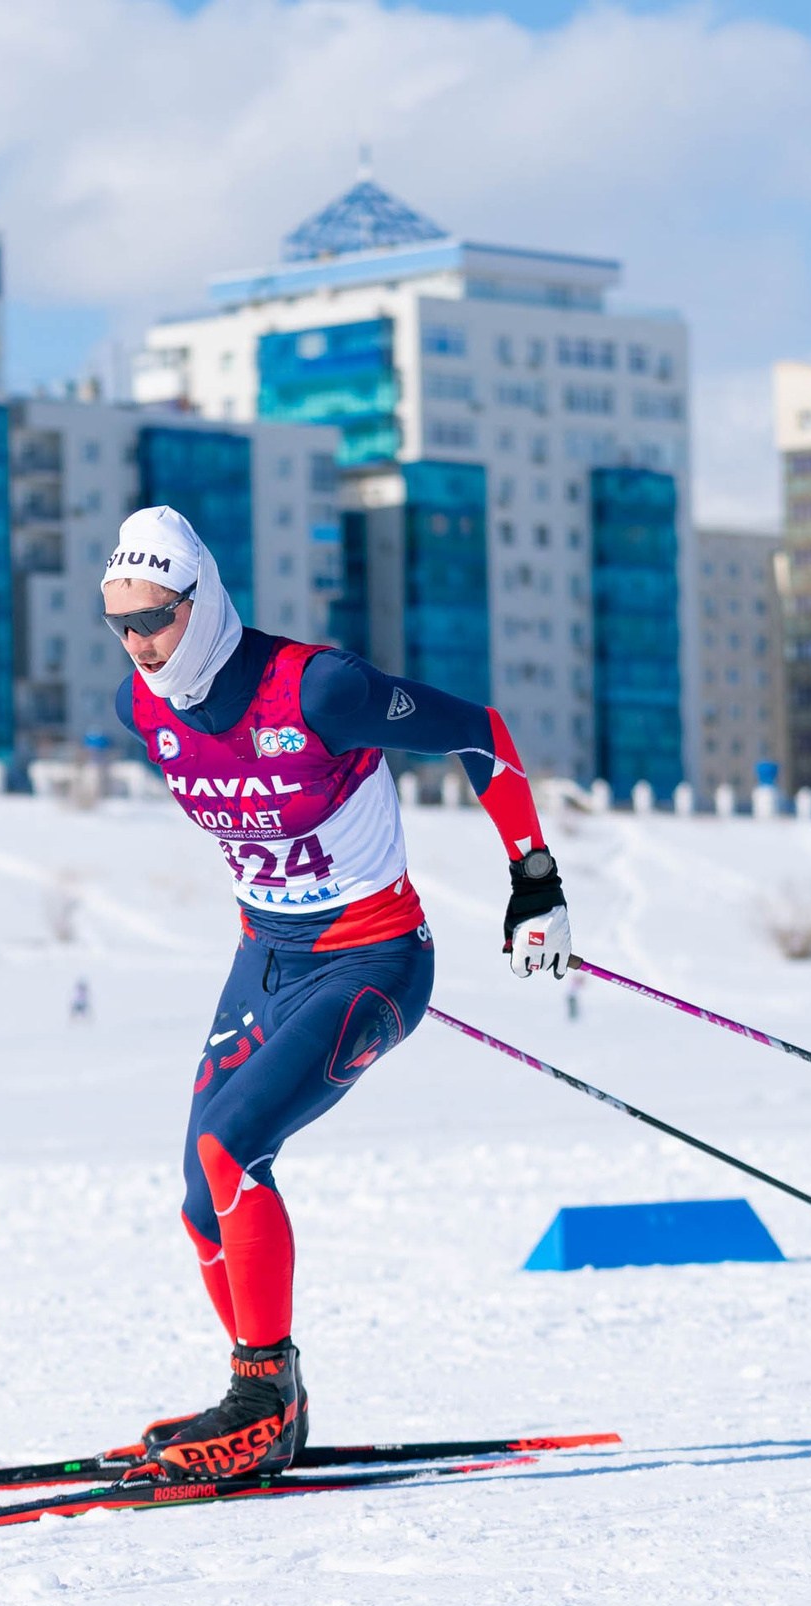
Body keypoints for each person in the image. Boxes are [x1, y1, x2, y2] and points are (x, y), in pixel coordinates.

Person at [103, 505, 571, 1481]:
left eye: (157, 618)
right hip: (266, 958)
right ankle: (262, 1395)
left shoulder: (320, 688)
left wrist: (534, 879)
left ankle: (263, 1399)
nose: (141, 644)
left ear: (206, 602)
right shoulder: (138, 709)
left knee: (235, 1149)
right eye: (121, 624)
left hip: (374, 961)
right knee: (200, 1195)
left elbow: (479, 734)